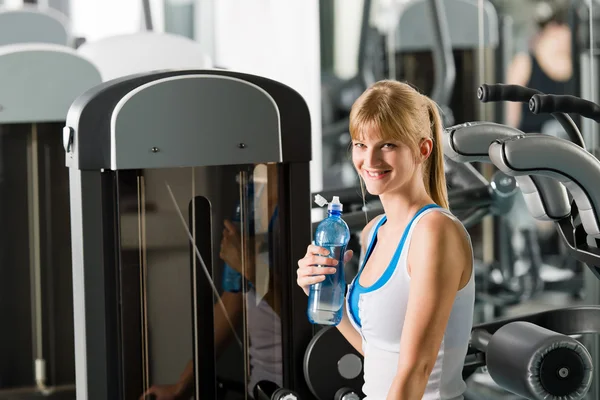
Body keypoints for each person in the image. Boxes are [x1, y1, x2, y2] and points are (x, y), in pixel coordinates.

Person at [297, 80, 475, 399]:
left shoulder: (434, 232)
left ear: (423, 149)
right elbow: (377, 351)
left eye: (388, 145)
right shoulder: (374, 231)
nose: (370, 160)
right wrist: (322, 294)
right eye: (360, 144)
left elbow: (416, 370)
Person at [141, 166, 283, 400]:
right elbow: (233, 299)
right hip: (260, 387)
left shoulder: (301, 193)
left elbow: (310, 319)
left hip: (297, 386)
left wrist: (249, 265)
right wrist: (182, 386)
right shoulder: (254, 195)